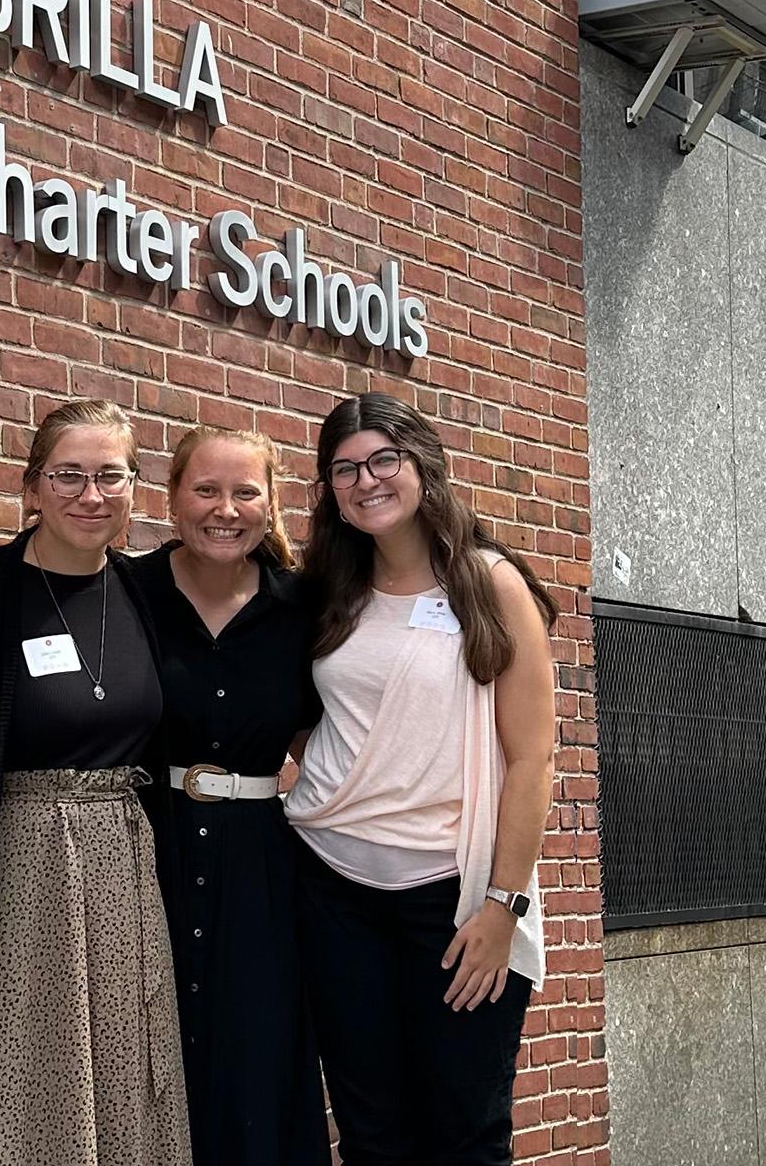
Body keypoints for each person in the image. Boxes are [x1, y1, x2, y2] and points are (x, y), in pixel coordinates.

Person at [285, 392, 561, 1166]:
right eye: (343, 469)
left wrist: (504, 906)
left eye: (382, 460)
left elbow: (534, 760)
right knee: (372, 1132)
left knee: (465, 1129)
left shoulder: (488, 583)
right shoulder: (330, 592)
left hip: (454, 900)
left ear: (423, 466)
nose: (365, 480)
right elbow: (318, 718)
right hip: (332, 888)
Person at [0, 399, 191, 1166]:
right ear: (32, 487)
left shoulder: (146, 593)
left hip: (126, 876)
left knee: (121, 1073)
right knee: (18, 1064)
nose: (90, 494)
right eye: (67, 474)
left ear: (135, 489)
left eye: (111, 475)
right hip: (18, 877)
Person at [126, 426, 327, 1166]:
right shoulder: (127, 593)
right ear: (173, 499)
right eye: (205, 489)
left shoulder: (303, 609)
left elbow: (323, 723)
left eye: (246, 492)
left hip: (260, 869)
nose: (225, 508)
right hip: (146, 855)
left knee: (256, 1062)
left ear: (270, 504)